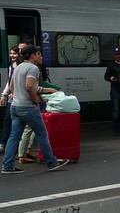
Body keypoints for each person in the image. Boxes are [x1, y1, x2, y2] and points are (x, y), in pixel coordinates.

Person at [1, 46, 70, 174]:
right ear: (32, 55)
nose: (41, 57)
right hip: (28, 107)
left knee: (14, 137)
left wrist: (17, 97)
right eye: (39, 54)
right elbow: (29, 86)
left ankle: (7, 165)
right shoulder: (32, 68)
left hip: (15, 106)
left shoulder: (18, 67)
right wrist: (35, 101)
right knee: (42, 134)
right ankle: (51, 162)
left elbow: (12, 85)